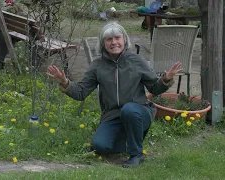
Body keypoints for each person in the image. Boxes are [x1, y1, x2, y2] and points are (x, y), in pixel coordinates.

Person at [46, 21, 182, 168]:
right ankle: (126, 139)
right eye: (109, 39)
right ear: (103, 43)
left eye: (117, 38)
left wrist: (166, 78)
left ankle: (137, 154)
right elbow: (81, 92)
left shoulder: (136, 61)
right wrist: (65, 82)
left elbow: (155, 88)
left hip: (138, 111)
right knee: (100, 146)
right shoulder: (97, 66)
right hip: (112, 115)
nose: (114, 42)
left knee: (129, 110)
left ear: (124, 39)